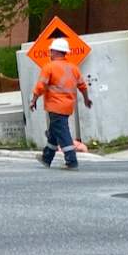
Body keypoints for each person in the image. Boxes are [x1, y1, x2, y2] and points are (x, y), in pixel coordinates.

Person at [30, 37, 93, 170]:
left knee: (63, 133)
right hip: (67, 106)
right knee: (53, 133)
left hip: (55, 106)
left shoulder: (49, 68)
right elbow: (83, 86)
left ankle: (71, 160)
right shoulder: (73, 68)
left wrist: (33, 100)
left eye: (51, 51)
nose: (50, 53)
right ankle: (46, 158)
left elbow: (40, 86)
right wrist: (86, 99)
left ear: (56, 52)